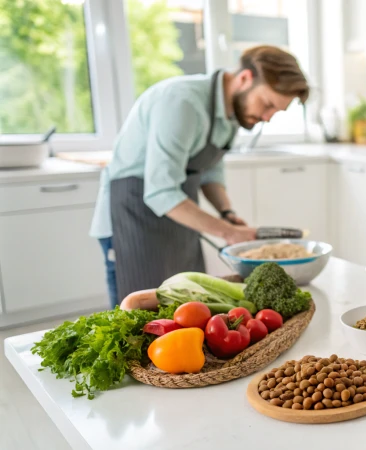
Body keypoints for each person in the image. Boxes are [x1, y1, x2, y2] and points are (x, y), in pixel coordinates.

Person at [90, 45, 309, 306]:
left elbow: (209, 172)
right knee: (133, 321)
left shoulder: (232, 113)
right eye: (268, 104)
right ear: (245, 78)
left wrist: (227, 212)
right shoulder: (182, 103)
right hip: (131, 215)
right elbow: (160, 191)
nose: (267, 118)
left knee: (183, 305)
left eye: (276, 112)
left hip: (177, 218)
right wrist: (228, 233)